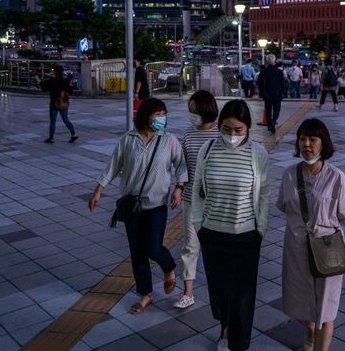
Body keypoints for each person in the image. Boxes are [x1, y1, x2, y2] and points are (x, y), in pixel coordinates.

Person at [88, 98, 186, 313]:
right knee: (137, 252)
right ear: (146, 115)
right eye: (157, 113)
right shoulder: (129, 139)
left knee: (153, 247)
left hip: (157, 204)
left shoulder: (169, 140)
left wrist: (179, 187)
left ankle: (168, 266)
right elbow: (113, 165)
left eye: (163, 113)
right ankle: (145, 294)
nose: (161, 118)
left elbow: (181, 165)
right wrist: (98, 190)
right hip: (132, 204)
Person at [191, 100, 270, 351]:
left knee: (242, 297)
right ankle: (225, 326)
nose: (232, 135)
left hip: (246, 236)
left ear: (248, 128)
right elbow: (196, 190)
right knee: (219, 292)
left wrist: (261, 229)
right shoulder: (208, 149)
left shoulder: (258, 153)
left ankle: (237, 342)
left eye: (238, 130)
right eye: (226, 129)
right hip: (212, 233)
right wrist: (198, 224)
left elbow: (264, 195)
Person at [277, 118, 345, 351]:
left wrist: (322, 226)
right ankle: (310, 331)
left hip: (327, 249)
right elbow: (283, 205)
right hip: (296, 248)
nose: (306, 144)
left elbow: (343, 213)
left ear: (323, 144)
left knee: (326, 309)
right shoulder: (289, 174)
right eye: (302, 139)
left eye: (313, 139)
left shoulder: (336, 176)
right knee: (297, 302)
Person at [175, 90, 220, 310]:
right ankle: (188, 293)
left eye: (195, 111)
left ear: (206, 109)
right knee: (190, 247)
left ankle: (219, 290)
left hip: (216, 203)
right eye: (190, 111)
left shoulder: (221, 134)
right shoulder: (188, 134)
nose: (192, 115)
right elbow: (182, 166)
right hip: (190, 199)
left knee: (214, 248)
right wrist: (178, 187)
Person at [39, 65, 78, 143]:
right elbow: (70, 90)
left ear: (55, 72)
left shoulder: (52, 81)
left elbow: (43, 87)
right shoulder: (65, 80)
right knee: (66, 119)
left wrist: (41, 79)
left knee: (53, 121)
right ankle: (74, 134)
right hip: (64, 102)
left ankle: (51, 138)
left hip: (54, 103)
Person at [257, 54, 286, 134]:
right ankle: (273, 122)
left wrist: (262, 93)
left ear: (267, 61)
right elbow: (283, 84)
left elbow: (259, 83)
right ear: (275, 61)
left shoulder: (263, 72)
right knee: (277, 110)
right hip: (277, 95)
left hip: (267, 95)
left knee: (268, 110)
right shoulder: (279, 72)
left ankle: (270, 124)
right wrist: (283, 93)